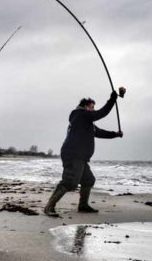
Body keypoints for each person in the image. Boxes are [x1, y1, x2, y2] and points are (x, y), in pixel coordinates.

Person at [44, 88, 125, 217]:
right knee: (70, 182)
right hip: (73, 154)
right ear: (86, 106)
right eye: (92, 107)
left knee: (88, 180)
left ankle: (83, 206)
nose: (93, 110)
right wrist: (112, 99)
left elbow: (100, 132)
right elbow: (101, 113)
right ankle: (49, 206)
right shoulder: (80, 115)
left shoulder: (87, 122)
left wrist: (115, 134)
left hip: (80, 157)